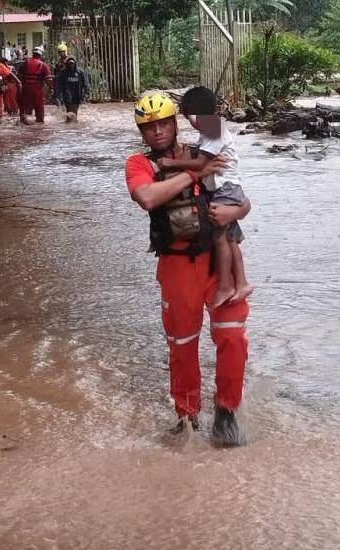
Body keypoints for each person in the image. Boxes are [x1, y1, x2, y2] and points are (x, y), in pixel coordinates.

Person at [124, 92, 251, 446]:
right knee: (182, 346)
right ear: (142, 132)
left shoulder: (202, 149)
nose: (158, 132)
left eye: (164, 123)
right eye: (149, 127)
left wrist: (236, 213)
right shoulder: (139, 164)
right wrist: (195, 173)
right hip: (177, 267)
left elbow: (242, 197)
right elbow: (148, 197)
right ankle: (188, 416)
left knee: (233, 336)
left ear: (175, 122)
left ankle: (227, 412)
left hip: (216, 260)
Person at [157, 86, 253, 309]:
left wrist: (171, 163)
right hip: (229, 188)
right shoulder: (212, 127)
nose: (191, 122)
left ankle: (226, 286)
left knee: (220, 238)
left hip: (225, 189)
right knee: (230, 239)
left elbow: (201, 164)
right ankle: (242, 283)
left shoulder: (213, 128)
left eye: (191, 116)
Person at [18, 46, 53, 124]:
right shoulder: (43, 65)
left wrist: (22, 84)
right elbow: (49, 79)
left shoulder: (25, 63)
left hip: (26, 90)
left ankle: (23, 122)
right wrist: (51, 89)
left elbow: (19, 75)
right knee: (39, 111)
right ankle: (39, 126)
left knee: (24, 110)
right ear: (41, 54)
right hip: (38, 91)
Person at [54, 57, 89, 122]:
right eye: (69, 64)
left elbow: (86, 84)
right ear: (67, 64)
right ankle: (70, 126)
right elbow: (59, 85)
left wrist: (85, 95)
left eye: (72, 64)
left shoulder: (80, 72)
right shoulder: (63, 72)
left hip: (77, 95)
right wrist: (58, 96)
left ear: (75, 64)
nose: (71, 65)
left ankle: (74, 126)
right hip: (67, 96)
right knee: (69, 111)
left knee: (75, 112)